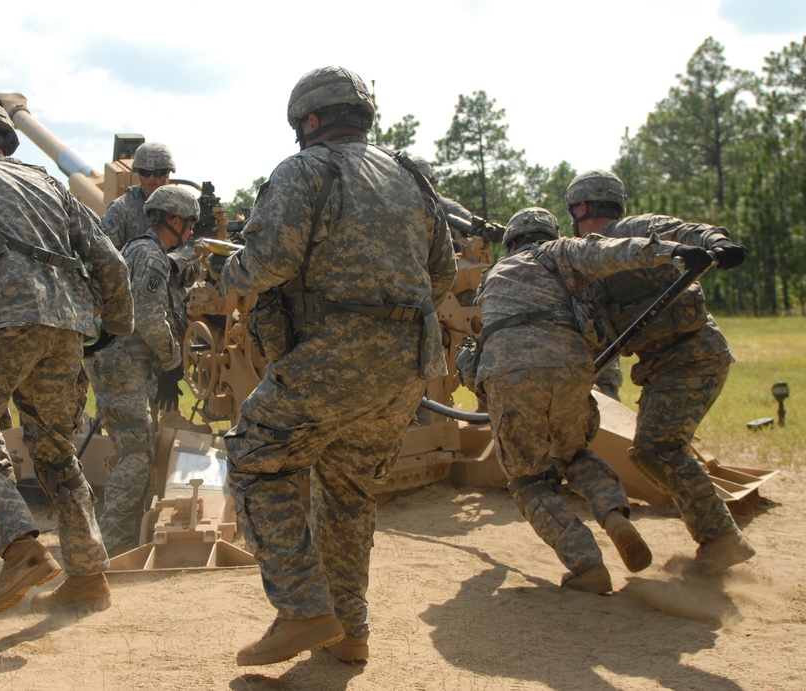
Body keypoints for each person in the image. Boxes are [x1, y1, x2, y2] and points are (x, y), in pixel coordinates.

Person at [213, 66, 458, 666]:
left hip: (333, 353)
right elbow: (444, 273)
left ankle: (301, 607)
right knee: (348, 492)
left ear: (311, 120)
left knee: (252, 456)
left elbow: (266, 263)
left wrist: (227, 274)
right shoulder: (412, 175)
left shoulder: (305, 169)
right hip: (408, 363)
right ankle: (350, 632)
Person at [0, 99, 133, 617]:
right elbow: (109, 259)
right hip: (68, 325)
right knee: (57, 450)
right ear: (6, 141)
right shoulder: (50, 184)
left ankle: (21, 549)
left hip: (1, 319)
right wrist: (112, 328)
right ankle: (87, 578)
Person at [474, 207, 713, 593]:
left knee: (529, 479)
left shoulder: (492, 277)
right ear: (548, 236)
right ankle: (615, 516)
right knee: (575, 453)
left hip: (509, 376)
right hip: (570, 369)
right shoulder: (562, 253)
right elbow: (612, 252)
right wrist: (671, 252)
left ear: (512, 243)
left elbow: (484, 347)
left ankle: (587, 566)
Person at [565, 169, 755, 574]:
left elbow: (685, 232)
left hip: (693, 355)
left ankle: (722, 541)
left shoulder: (633, 231)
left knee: (657, 450)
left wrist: (717, 244)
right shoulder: (590, 263)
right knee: (653, 452)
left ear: (581, 207)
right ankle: (719, 538)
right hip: (661, 368)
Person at [91, 185, 199, 556]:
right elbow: (151, 318)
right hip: (124, 366)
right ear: (174, 221)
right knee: (136, 451)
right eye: (189, 224)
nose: (190, 233)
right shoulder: (151, 256)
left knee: (136, 447)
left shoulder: (136, 250)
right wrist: (172, 363)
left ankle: (121, 537)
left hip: (122, 365)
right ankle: (111, 546)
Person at [101, 141, 176, 250]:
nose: (151, 178)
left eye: (158, 173)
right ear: (138, 173)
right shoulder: (120, 209)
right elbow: (107, 251)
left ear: (167, 173)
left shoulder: (179, 207)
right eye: (145, 173)